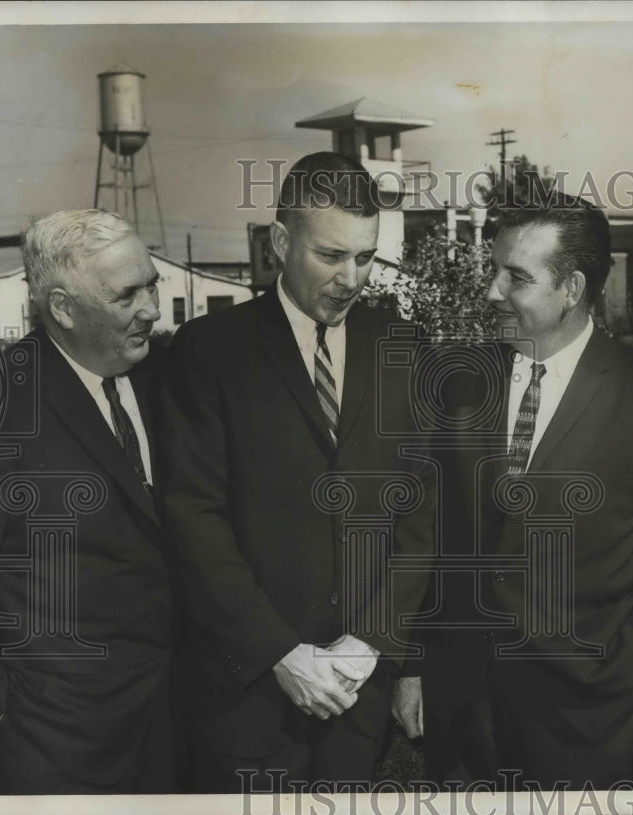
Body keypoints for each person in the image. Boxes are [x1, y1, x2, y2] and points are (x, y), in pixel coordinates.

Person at [393, 195, 633, 789]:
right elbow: (424, 537)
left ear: (571, 287)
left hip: (592, 717)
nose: (492, 291)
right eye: (495, 270)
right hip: (464, 712)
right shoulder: (459, 380)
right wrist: (413, 666)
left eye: (516, 277)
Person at [158, 152, 435, 791]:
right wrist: (279, 653)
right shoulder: (209, 351)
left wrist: (369, 645)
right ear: (282, 242)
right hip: (248, 696)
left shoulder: (402, 346)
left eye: (365, 257)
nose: (350, 278)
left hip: (356, 697)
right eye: (330, 255)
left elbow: (420, 514)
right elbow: (194, 519)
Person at [0, 209, 176, 793]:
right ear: (62, 308)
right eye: (126, 297)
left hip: (170, 722)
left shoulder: (163, 375)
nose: (152, 310)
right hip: (53, 743)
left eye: (152, 285)